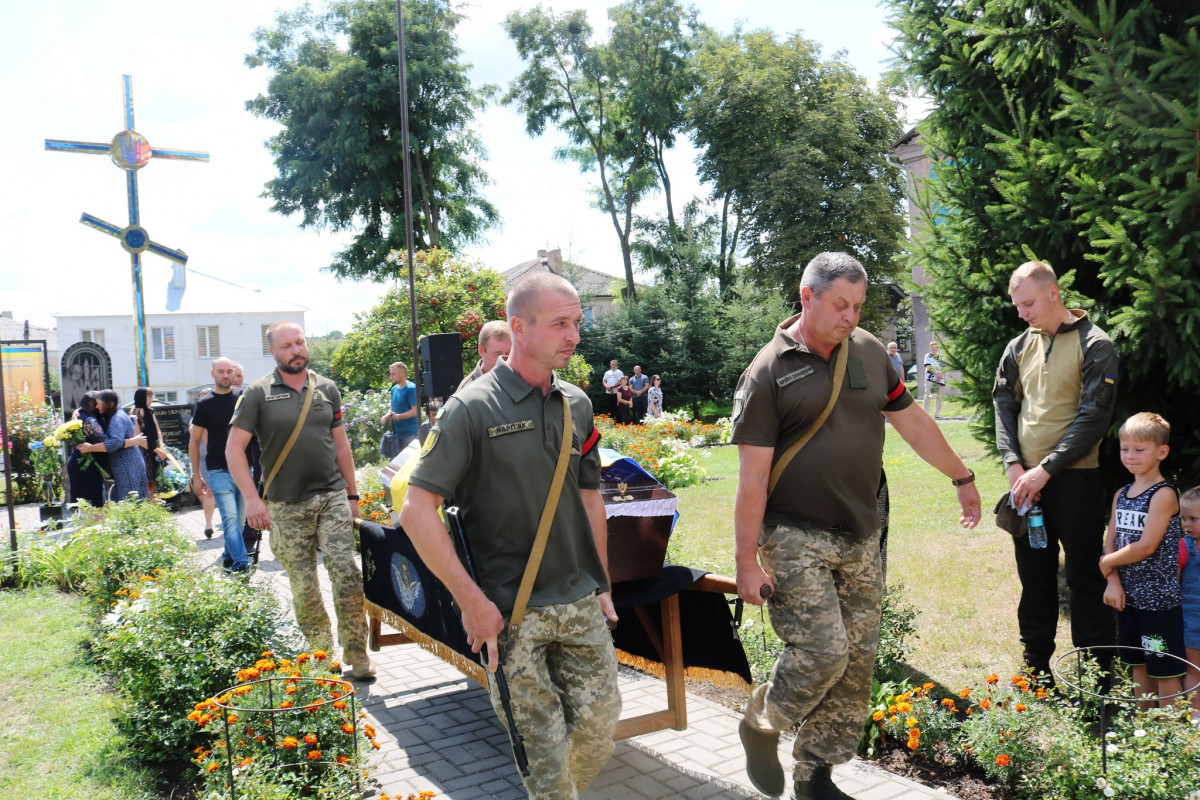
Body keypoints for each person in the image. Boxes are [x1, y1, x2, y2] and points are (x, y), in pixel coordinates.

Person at [732, 252, 980, 800]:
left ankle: (814, 773)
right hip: (793, 533)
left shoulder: (867, 351)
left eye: (858, 305)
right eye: (840, 304)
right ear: (807, 297)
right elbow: (751, 480)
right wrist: (745, 560)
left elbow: (912, 421)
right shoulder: (768, 372)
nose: (850, 316)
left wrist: (961, 476)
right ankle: (761, 721)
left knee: (856, 660)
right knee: (823, 651)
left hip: (861, 531)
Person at [400, 272, 620, 799]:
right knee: (544, 761)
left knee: (599, 727)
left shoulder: (577, 403)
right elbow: (416, 510)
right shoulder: (471, 408)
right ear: (519, 327)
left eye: (576, 323)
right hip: (509, 613)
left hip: (578, 598)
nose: (575, 335)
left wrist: (603, 581)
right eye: (561, 324)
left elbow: (590, 497)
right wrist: (471, 602)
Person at [226, 322, 374, 680]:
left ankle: (357, 654)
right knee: (305, 586)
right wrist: (252, 501)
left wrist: (352, 495)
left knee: (348, 573)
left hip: (331, 497)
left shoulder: (327, 389)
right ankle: (322, 659)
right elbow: (233, 449)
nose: (296, 349)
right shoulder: (257, 394)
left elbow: (341, 446)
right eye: (287, 345)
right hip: (285, 505)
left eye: (300, 342)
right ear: (274, 352)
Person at [994, 260, 1118, 684]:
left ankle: (1098, 673)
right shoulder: (1018, 346)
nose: (1022, 312)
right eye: (1017, 305)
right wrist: (1013, 463)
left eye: (1028, 303)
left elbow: (1093, 418)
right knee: (1035, 579)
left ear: (1053, 293)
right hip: (1025, 483)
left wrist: (1044, 471)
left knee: (1085, 575)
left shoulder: (1095, 344)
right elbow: (1003, 405)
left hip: (1075, 481)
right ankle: (1035, 669)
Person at [1098, 412, 1186, 710]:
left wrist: (1106, 562)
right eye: (1125, 448)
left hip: (1158, 604)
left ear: (1161, 452)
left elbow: (1146, 546)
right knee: (1137, 667)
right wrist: (1111, 579)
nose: (1130, 456)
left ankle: (1170, 737)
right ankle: (1143, 734)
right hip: (1128, 600)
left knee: (1164, 671)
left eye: (1140, 449)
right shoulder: (1121, 493)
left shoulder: (1163, 494)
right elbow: (1111, 537)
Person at [189, 357, 251, 575]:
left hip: (244, 469)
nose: (226, 375)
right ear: (212, 373)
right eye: (221, 371)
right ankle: (241, 563)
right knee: (230, 519)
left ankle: (227, 556)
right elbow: (194, 441)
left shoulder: (243, 399)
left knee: (241, 522)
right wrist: (196, 475)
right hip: (218, 469)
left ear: (235, 373)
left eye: (230, 371)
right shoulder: (205, 404)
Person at [78, 390, 148, 502]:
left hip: (127, 464)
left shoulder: (117, 419)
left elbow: (115, 443)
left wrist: (90, 448)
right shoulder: (116, 415)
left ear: (109, 404)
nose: (97, 407)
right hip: (127, 464)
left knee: (131, 502)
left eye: (99, 404)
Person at [1178, 487, 1200, 723]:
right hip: (1192, 622)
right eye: (1184, 518)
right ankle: (1195, 716)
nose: (1187, 524)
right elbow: (1173, 585)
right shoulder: (1185, 547)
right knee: (1194, 669)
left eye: (1193, 518)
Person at [66, 391, 109, 507]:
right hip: (85, 467)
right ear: (91, 403)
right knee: (92, 507)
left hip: (86, 465)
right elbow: (105, 441)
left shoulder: (82, 414)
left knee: (89, 507)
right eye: (99, 402)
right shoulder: (88, 421)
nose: (102, 405)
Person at [458, 319, 512, 389]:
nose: (504, 359)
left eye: (508, 353)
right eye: (498, 354)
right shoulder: (468, 390)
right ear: (481, 350)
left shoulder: (520, 378)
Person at [380, 362, 419, 452]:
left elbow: (415, 411)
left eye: (393, 374)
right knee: (395, 464)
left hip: (410, 435)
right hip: (396, 435)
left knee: (411, 463)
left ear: (402, 373)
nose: (391, 377)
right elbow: (392, 408)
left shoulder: (411, 388)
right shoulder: (394, 389)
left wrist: (397, 417)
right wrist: (387, 415)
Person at [132, 387, 163, 497]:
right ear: (141, 398)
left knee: (155, 477)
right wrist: (155, 449)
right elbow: (138, 435)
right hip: (143, 450)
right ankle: (147, 501)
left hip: (155, 448)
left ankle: (152, 500)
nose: (152, 399)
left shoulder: (151, 411)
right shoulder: (134, 413)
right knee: (146, 478)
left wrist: (161, 446)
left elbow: (157, 430)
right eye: (149, 397)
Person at [922, 341, 944, 417]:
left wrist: (941, 376)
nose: (933, 348)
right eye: (931, 347)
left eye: (934, 347)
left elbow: (944, 368)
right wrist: (937, 375)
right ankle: (926, 413)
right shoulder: (927, 356)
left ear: (937, 348)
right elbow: (928, 367)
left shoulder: (941, 357)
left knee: (938, 396)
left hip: (939, 379)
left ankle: (937, 414)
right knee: (928, 395)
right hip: (930, 378)